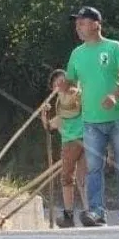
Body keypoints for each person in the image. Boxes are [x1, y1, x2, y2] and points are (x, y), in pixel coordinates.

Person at [65, 6, 119, 227]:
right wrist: (68, 88)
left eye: (82, 22)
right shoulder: (76, 54)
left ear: (96, 24)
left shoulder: (115, 48)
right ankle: (96, 212)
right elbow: (71, 82)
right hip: (90, 120)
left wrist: (115, 95)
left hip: (118, 117)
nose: (78, 27)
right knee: (94, 168)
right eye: (77, 24)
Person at [41, 69, 86, 228]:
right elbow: (48, 127)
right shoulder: (61, 112)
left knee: (82, 178)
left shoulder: (79, 97)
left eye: (62, 81)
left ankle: (89, 211)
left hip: (85, 140)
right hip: (70, 144)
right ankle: (71, 214)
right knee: (69, 178)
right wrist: (44, 114)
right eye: (56, 84)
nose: (59, 85)